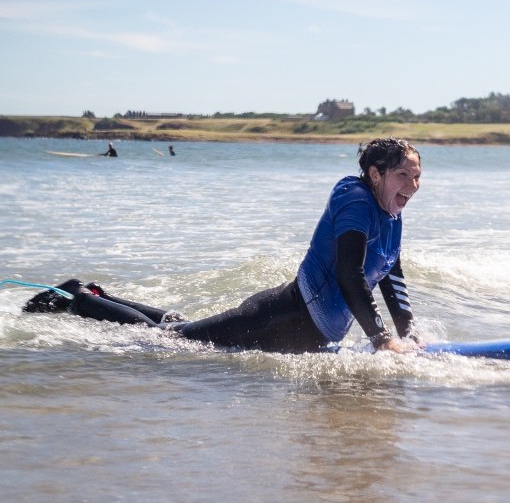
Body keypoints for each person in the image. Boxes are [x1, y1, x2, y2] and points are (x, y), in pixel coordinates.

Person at [23, 138, 423, 354]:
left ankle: (99, 294)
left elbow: (391, 275)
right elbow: (348, 273)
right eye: (404, 175)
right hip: (282, 317)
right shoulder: (355, 199)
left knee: (179, 327)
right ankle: (76, 297)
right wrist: (381, 339)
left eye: (417, 177)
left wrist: (408, 334)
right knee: (166, 342)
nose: (413, 186)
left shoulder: (391, 212)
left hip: (300, 326)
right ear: (375, 173)